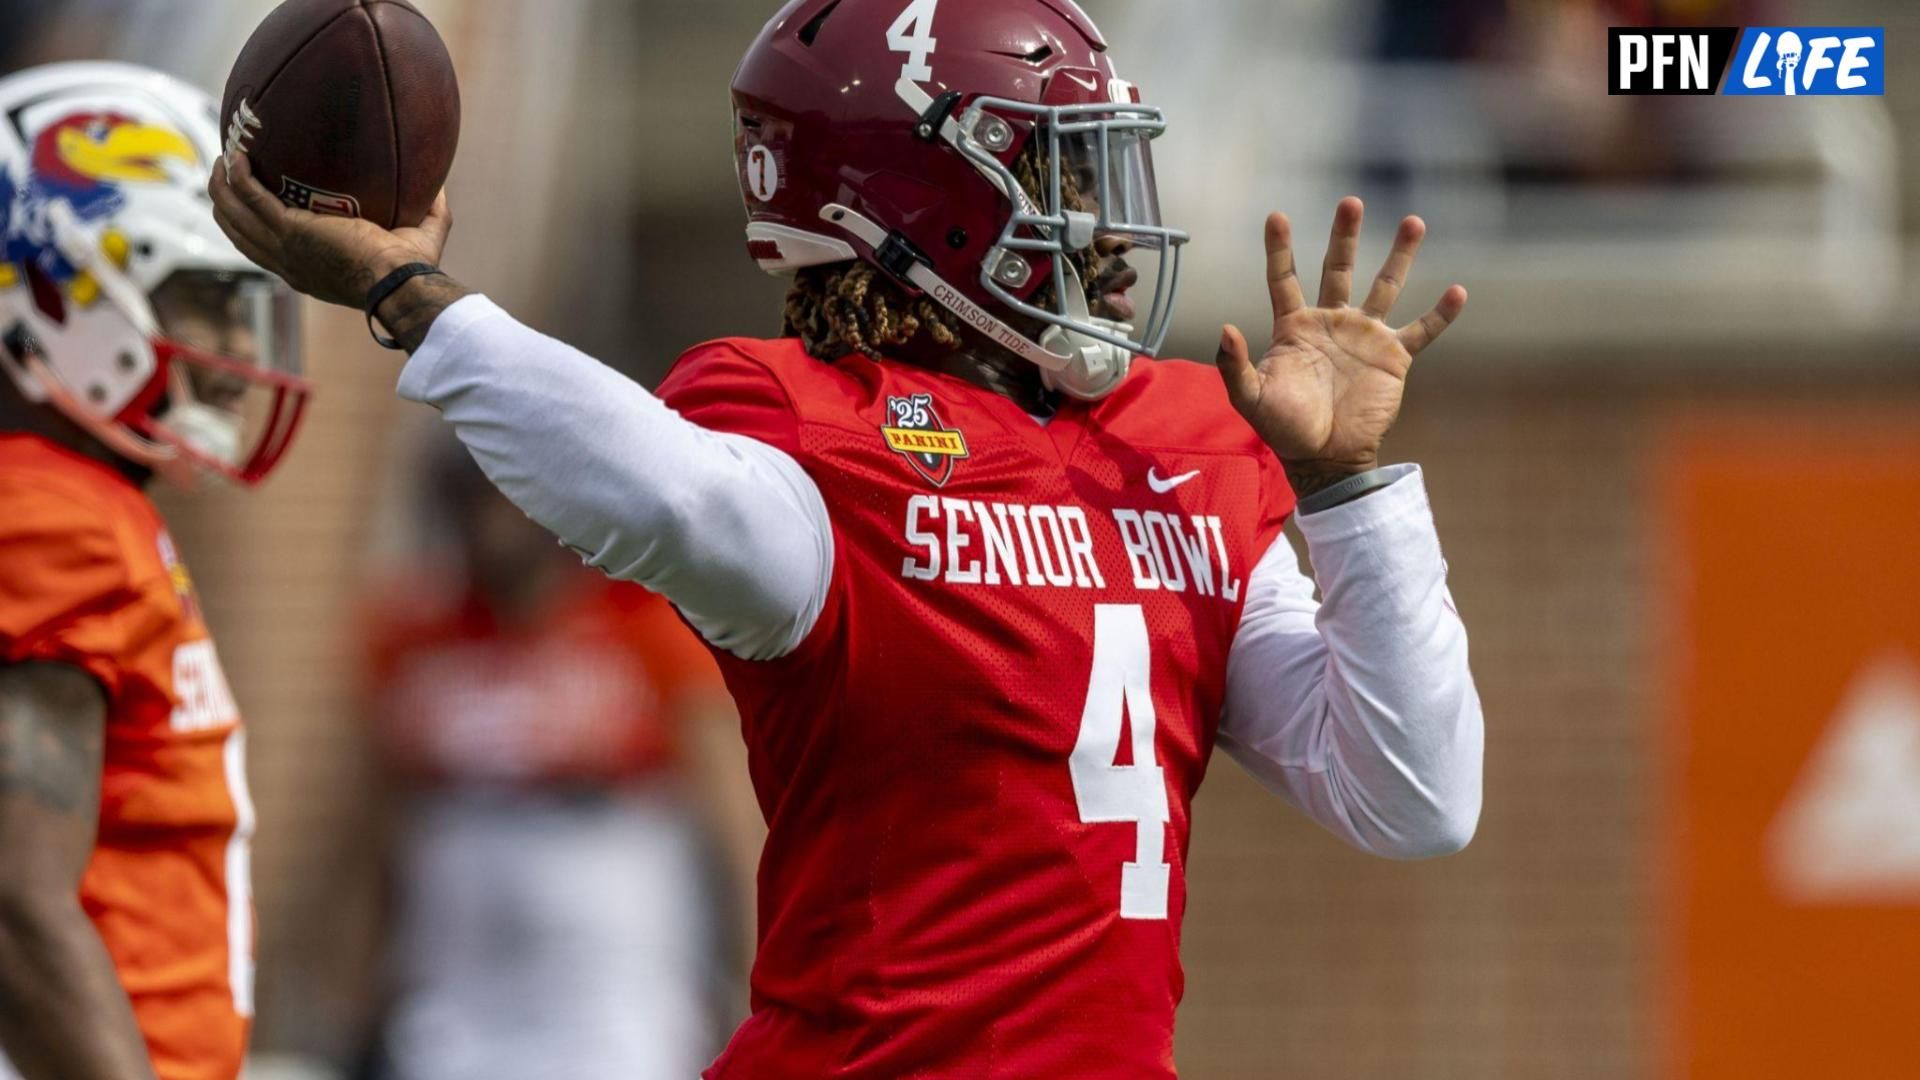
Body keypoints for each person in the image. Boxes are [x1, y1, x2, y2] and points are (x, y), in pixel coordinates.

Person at [209, 1, 1485, 1075]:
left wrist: (1348, 490)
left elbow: (1413, 795)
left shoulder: (1185, 450)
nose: (1103, 230)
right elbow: (662, 493)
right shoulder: (820, 445)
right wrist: (413, 297)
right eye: (1060, 177)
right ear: (915, 201)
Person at [0, 63, 310, 1080]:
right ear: (57, 289)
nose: (229, 354)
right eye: (203, 304)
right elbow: (12, 897)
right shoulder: (55, 518)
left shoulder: (82, 505)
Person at [354, 445, 741, 1080]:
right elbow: (377, 826)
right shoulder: (413, 633)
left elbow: (731, 825)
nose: (487, 526)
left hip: (610, 941)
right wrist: (362, 987)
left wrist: (749, 981)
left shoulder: (643, 621)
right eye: (470, 504)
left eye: (503, 501)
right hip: (457, 959)